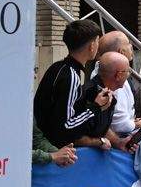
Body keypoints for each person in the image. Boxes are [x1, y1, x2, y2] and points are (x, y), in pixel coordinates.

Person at [32, 19, 114, 150]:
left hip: (43, 137)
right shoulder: (71, 76)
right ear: (92, 46)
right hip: (49, 145)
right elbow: (66, 126)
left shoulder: (57, 67)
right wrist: (96, 107)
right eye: (98, 41)